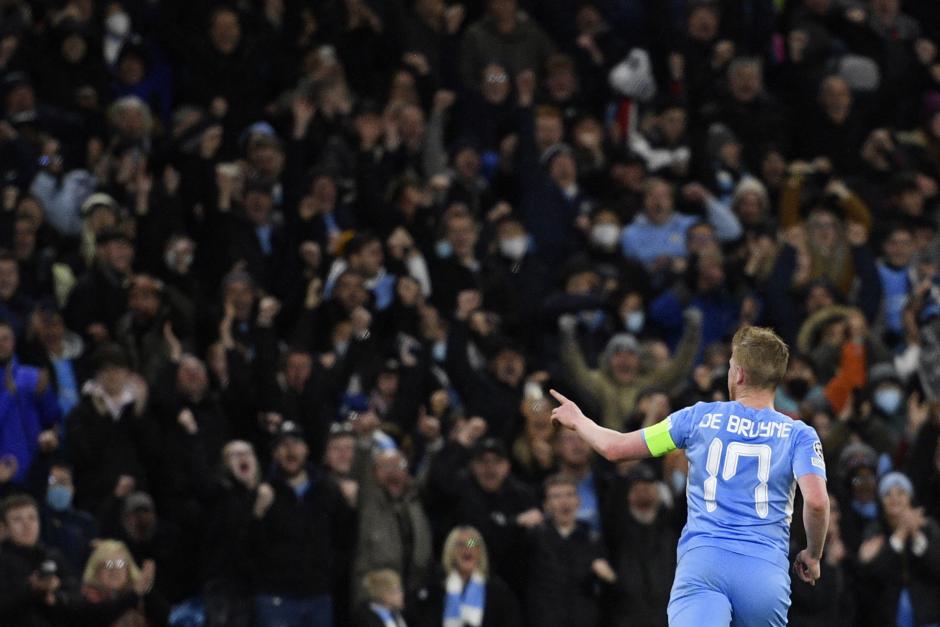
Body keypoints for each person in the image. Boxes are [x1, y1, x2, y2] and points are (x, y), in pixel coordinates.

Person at [550, 325, 830, 626]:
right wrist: (813, 554)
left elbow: (615, 448)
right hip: (763, 574)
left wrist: (579, 421)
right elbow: (815, 502)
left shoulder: (698, 418)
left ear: (738, 374)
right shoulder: (799, 434)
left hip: (704, 564)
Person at [80, 539, 169, 626]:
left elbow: (165, 618)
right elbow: (101, 616)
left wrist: (147, 589)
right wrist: (135, 593)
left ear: (128, 569)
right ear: (96, 570)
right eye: (108, 564)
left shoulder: (139, 594)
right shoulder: (86, 598)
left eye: (120, 563)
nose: (114, 570)